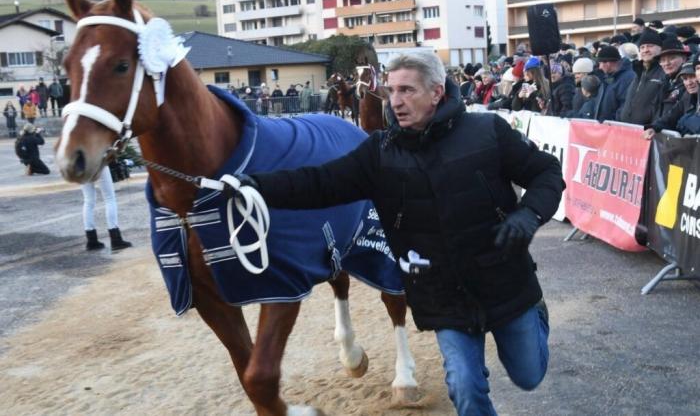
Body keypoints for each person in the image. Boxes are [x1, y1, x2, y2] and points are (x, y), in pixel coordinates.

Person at [231, 51, 564, 415]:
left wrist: (530, 214)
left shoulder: (489, 132)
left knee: (529, 375)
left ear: (436, 92)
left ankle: (537, 311)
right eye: (391, 91)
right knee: (464, 387)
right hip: (442, 294)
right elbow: (320, 183)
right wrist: (256, 186)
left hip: (504, 280)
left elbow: (546, 172)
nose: (396, 101)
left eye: (407, 90)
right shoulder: (379, 153)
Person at [618, 29, 665, 125]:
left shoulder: (664, 72)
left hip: (648, 134)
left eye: (650, 46)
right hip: (630, 131)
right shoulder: (638, 73)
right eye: (642, 47)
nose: (645, 50)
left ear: (660, 48)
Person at [81, 166, 133, 252]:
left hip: (80, 165)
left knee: (88, 201)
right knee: (109, 198)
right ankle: (115, 239)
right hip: (98, 162)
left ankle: (91, 240)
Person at [644, 59, 699, 138]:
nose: (689, 83)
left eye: (692, 77)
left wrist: (684, 121)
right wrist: (654, 128)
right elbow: (671, 116)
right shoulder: (687, 96)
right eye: (685, 79)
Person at [656, 37, 690, 125]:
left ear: (684, 59)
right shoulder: (664, 82)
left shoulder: (690, 83)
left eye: (672, 58)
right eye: (663, 60)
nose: (667, 63)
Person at [596, 45, 635, 120]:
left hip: (615, 127)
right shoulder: (607, 77)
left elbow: (625, 106)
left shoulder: (628, 78)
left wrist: (610, 122)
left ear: (608, 63)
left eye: (600, 63)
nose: (600, 67)